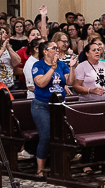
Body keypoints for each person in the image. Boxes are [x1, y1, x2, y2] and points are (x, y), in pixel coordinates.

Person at [29, 40, 73, 179]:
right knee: (46, 136)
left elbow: (70, 82)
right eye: (53, 48)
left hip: (59, 105)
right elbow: (41, 83)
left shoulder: (62, 64)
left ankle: (60, 166)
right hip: (42, 105)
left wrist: (72, 68)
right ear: (45, 51)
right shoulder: (38, 65)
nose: (57, 49)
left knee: (61, 136)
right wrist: (52, 69)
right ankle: (40, 169)